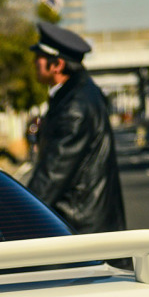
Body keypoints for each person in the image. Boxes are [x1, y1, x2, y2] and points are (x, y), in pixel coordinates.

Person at [26, 22, 126, 233]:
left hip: (80, 229)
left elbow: (52, 175)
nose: (35, 61)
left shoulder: (74, 107)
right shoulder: (79, 94)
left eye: (40, 57)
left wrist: (16, 214)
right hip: (90, 224)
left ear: (57, 65)